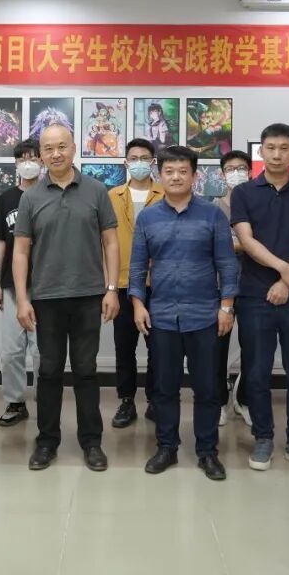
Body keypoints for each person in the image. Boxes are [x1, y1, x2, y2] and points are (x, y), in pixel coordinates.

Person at [14, 124, 120, 472]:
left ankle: (92, 442)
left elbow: (110, 242)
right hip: (46, 298)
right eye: (48, 148)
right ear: (41, 155)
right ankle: (47, 442)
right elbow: (21, 251)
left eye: (62, 146)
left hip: (89, 295)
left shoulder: (96, 190)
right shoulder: (31, 197)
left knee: (86, 371)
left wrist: (111, 289)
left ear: (74, 148)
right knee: (49, 371)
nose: (55, 153)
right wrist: (23, 299)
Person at [130, 146, 238, 481]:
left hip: (205, 315)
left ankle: (207, 452)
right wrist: (137, 304)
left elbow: (227, 264)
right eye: (169, 171)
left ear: (194, 175)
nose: (176, 177)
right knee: (164, 388)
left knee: (207, 389)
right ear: (160, 174)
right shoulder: (148, 217)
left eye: (183, 171)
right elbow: (137, 266)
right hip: (162, 315)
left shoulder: (212, 215)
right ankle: (167, 447)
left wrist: (226, 307)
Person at [231, 123, 289, 473]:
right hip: (255, 294)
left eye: (284, 148)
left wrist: (288, 280)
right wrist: (285, 270)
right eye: (270, 148)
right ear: (261, 151)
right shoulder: (244, 193)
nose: (277, 154)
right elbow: (247, 241)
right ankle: (263, 437)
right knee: (256, 372)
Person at [108, 138, 165, 428]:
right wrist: (108, 286)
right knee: (124, 346)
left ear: (153, 162)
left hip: (159, 283)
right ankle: (126, 400)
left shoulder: (165, 194)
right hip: (122, 282)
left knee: (159, 346)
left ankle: (155, 400)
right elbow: (104, 242)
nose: (139, 162)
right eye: (134, 158)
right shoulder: (112, 196)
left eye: (145, 158)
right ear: (126, 162)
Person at [0, 139, 42, 427]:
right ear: (15, 164)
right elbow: (1, 241)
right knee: (12, 350)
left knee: (42, 350)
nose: (28, 163)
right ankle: (15, 401)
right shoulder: (7, 199)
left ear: (42, 162)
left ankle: (45, 399)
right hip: (12, 284)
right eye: (23, 158)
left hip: (46, 284)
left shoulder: (50, 194)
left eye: (33, 157)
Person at [216, 150, 253, 427]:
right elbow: (211, 246)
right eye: (230, 169)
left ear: (250, 172)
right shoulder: (213, 208)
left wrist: (235, 244)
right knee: (216, 348)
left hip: (253, 286)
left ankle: (244, 400)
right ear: (222, 174)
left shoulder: (259, 204)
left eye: (241, 168)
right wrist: (246, 244)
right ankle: (219, 401)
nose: (236, 173)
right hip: (219, 288)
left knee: (253, 348)